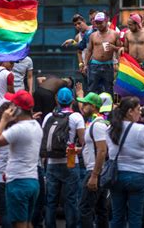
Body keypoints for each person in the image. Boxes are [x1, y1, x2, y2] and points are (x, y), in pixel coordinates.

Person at [0, 90, 43, 228]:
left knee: (18, 224)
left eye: (12, 106)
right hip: (33, 181)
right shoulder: (36, 126)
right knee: (27, 222)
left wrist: (3, 120)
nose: (9, 109)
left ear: (17, 109)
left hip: (18, 183)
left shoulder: (19, 129)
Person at [42, 87, 85, 228]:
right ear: (72, 100)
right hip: (71, 161)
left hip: (52, 162)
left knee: (51, 200)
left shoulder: (49, 117)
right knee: (71, 200)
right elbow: (83, 141)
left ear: (57, 100)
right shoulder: (76, 117)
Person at [106, 96, 144, 228]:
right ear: (130, 111)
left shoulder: (110, 129)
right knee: (135, 216)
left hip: (117, 175)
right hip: (138, 175)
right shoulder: (141, 129)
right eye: (138, 109)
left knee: (117, 215)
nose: (140, 112)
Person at [77, 92, 108, 228]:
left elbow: (102, 150)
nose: (82, 106)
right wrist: (80, 150)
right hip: (97, 170)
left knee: (84, 208)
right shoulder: (93, 123)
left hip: (94, 171)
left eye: (86, 104)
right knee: (101, 209)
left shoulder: (98, 125)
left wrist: (94, 175)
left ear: (94, 106)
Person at [84, 12, 121, 95]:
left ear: (106, 21)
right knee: (92, 88)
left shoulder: (114, 34)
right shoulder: (93, 35)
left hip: (108, 65)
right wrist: (85, 64)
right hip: (94, 65)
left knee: (109, 89)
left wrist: (113, 47)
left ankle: (109, 107)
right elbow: (89, 50)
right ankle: (91, 107)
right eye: (97, 23)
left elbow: (120, 49)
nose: (98, 25)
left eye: (100, 23)